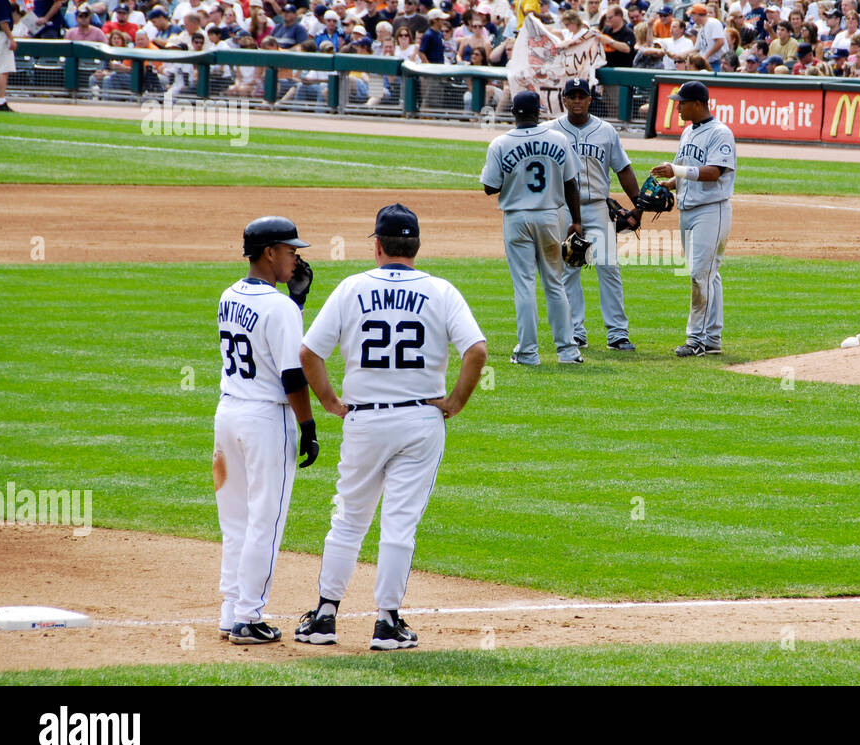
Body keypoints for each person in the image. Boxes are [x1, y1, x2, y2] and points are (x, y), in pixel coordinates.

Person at [294, 203, 488, 651]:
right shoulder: (441, 290)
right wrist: (456, 401)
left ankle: (324, 616)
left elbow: (309, 353)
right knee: (400, 523)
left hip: (364, 418)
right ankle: (386, 622)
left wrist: (330, 402)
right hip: (422, 419)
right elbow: (475, 350)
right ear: (416, 247)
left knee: (348, 519)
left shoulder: (351, 287)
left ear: (377, 245)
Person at [215, 217, 318, 645]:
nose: (297, 257)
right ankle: (249, 617)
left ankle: (230, 611)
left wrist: (295, 305)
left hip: (228, 414)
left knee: (236, 519)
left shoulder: (228, 294)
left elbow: (264, 340)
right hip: (265, 418)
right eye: (291, 250)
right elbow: (293, 375)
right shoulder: (278, 307)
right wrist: (308, 425)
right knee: (266, 520)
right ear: (270, 252)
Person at [481, 91, 586, 365]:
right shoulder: (558, 139)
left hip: (517, 218)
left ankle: (528, 353)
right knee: (555, 284)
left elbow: (489, 187)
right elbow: (571, 183)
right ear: (539, 111)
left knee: (524, 286)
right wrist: (576, 220)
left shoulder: (500, 143)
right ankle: (568, 352)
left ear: (513, 113)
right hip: (551, 216)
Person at [551, 78, 643, 352]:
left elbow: (623, 169)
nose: (577, 101)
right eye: (572, 96)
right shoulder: (551, 131)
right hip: (564, 209)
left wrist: (637, 204)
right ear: (564, 99)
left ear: (591, 99)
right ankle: (575, 332)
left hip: (598, 207)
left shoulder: (606, 131)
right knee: (569, 269)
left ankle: (617, 333)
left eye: (582, 96)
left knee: (609, 269)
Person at [649, 80, 736, 357]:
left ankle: (695, 339)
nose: (677, 107)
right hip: (688, 211)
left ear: (697, 104)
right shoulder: (687, 132)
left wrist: (676, 170)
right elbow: (688, 170)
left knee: (701, 274)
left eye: (681, 102)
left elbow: (715, 172)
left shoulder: (720, 133)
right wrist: (670, 183)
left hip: (712, 211)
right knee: (709, 275)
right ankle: (712, 339)